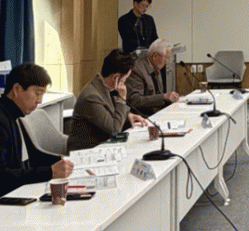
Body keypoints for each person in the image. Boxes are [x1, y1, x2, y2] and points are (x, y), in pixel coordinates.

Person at [0, 63, 74, 197]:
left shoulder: (10, 116)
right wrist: (49, 172)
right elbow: (2, 176)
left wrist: (53, 165)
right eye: (37, 93)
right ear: (16, 89)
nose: (39, 101)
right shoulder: (2, 121)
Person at [68, 49, 147, 151]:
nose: (125, 82)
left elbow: (109, 116)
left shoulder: (104, 87)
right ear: (115, 77)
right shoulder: (91, 97)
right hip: (88, 151)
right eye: (125, 78)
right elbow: (114, 130)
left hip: (103, 146)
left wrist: (128, 116)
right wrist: (122, 99)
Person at [126, 39, 180, 116]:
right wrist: (163, 96)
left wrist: (170, 98)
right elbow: (135, 100)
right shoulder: (137, 70)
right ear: (155, 56)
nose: (167, 61)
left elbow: (157, 97)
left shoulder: (156, 66)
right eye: (166, 58)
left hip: (156, 114)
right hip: (142, 117)